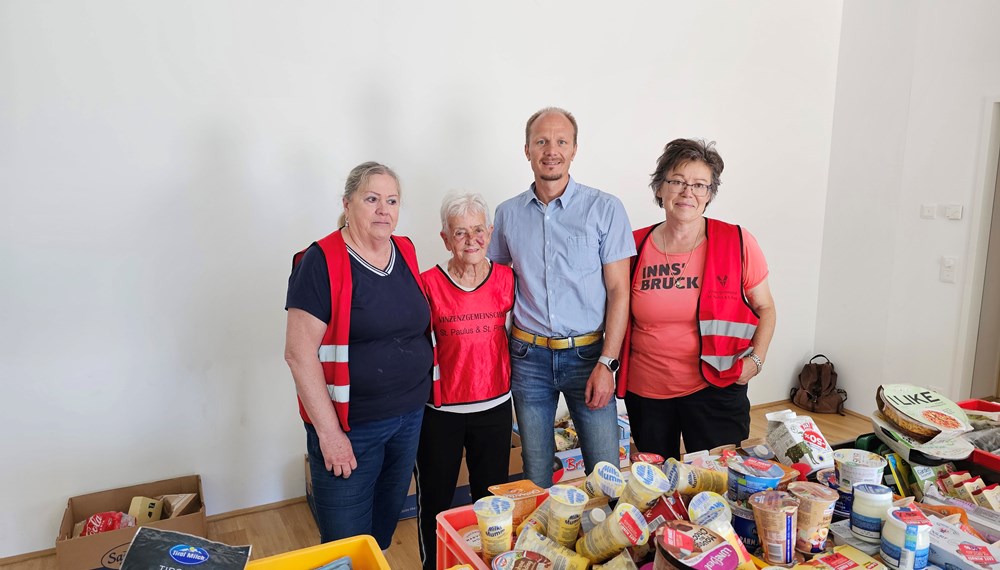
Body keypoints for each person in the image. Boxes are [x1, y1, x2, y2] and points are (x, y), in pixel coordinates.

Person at [283, 161, 433, 550]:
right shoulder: (320, 261)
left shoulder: (406, 249)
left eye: (392, 200)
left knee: (381, 530)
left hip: (408, 417)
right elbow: (299, 354)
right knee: (345, 543)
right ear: (348, 204)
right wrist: (329, 434)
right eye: (372, 199)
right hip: (352, 427)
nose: (384, 209)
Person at [488, 107, 635, 489]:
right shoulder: (506, 215)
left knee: (605, 474)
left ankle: (607, 547)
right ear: (526, 150)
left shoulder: (605, 208)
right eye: (541, 141)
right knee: (535, 473)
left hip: (589, 357)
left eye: (560, 141)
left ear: (574, 149)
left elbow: (620, 292)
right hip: (528, 358)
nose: (551, 150)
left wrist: (609, 362)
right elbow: (495, 287)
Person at [617, 139, 777, 460]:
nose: (687, 192)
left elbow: (766, 307)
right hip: (647, 393)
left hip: (715, 388)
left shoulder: (737, 241)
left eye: (700, 185)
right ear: (660, 188)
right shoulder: (632, 245)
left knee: (717, 480)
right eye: (677, 181)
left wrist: (755, 362)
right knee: (658, 485)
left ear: (709, 195)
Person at [414, 192, 515, 570]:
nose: (471, 240)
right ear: (445, 239)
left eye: (478, 231)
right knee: (437, 504)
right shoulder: (428, 283)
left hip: (494, 407)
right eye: (460, 233)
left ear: (490, 232)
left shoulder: (506, 279)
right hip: (441, 411)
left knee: (491, 504)